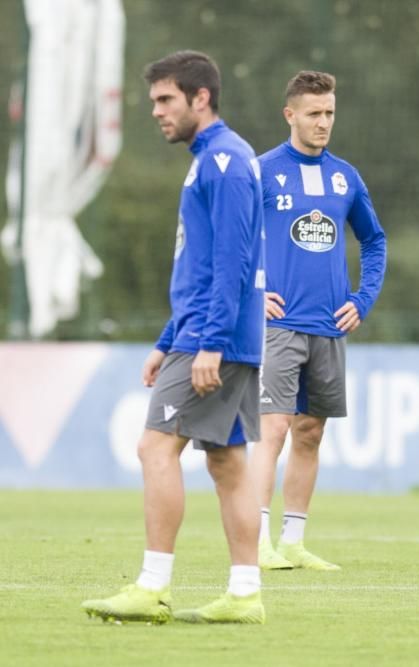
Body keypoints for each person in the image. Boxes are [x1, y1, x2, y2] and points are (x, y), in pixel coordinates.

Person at [81, 51, 267, 624]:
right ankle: (244, 595)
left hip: (218, 337)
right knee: (227, 462)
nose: (157, 112)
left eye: (166, 100)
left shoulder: (226, 162)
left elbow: (234, 261)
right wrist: (169, 339)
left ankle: (152, 584)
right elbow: (202, 263)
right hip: (214, 333)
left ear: (200, 98)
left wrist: (207, 341)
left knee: (154, 447)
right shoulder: (210, 160)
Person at [249, 71, 386, 571]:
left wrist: (363, 298)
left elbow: (374, 240)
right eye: (314, 113)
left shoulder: (345, 177)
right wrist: (252, 292)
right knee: (274, 428)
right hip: (278, 323)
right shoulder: (262, 171)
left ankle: (293, 543)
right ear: (290, 115)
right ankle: (257, 540)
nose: (324, 122)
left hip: (329, 326)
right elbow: (232, 236)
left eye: (329, 112)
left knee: (310, 432)